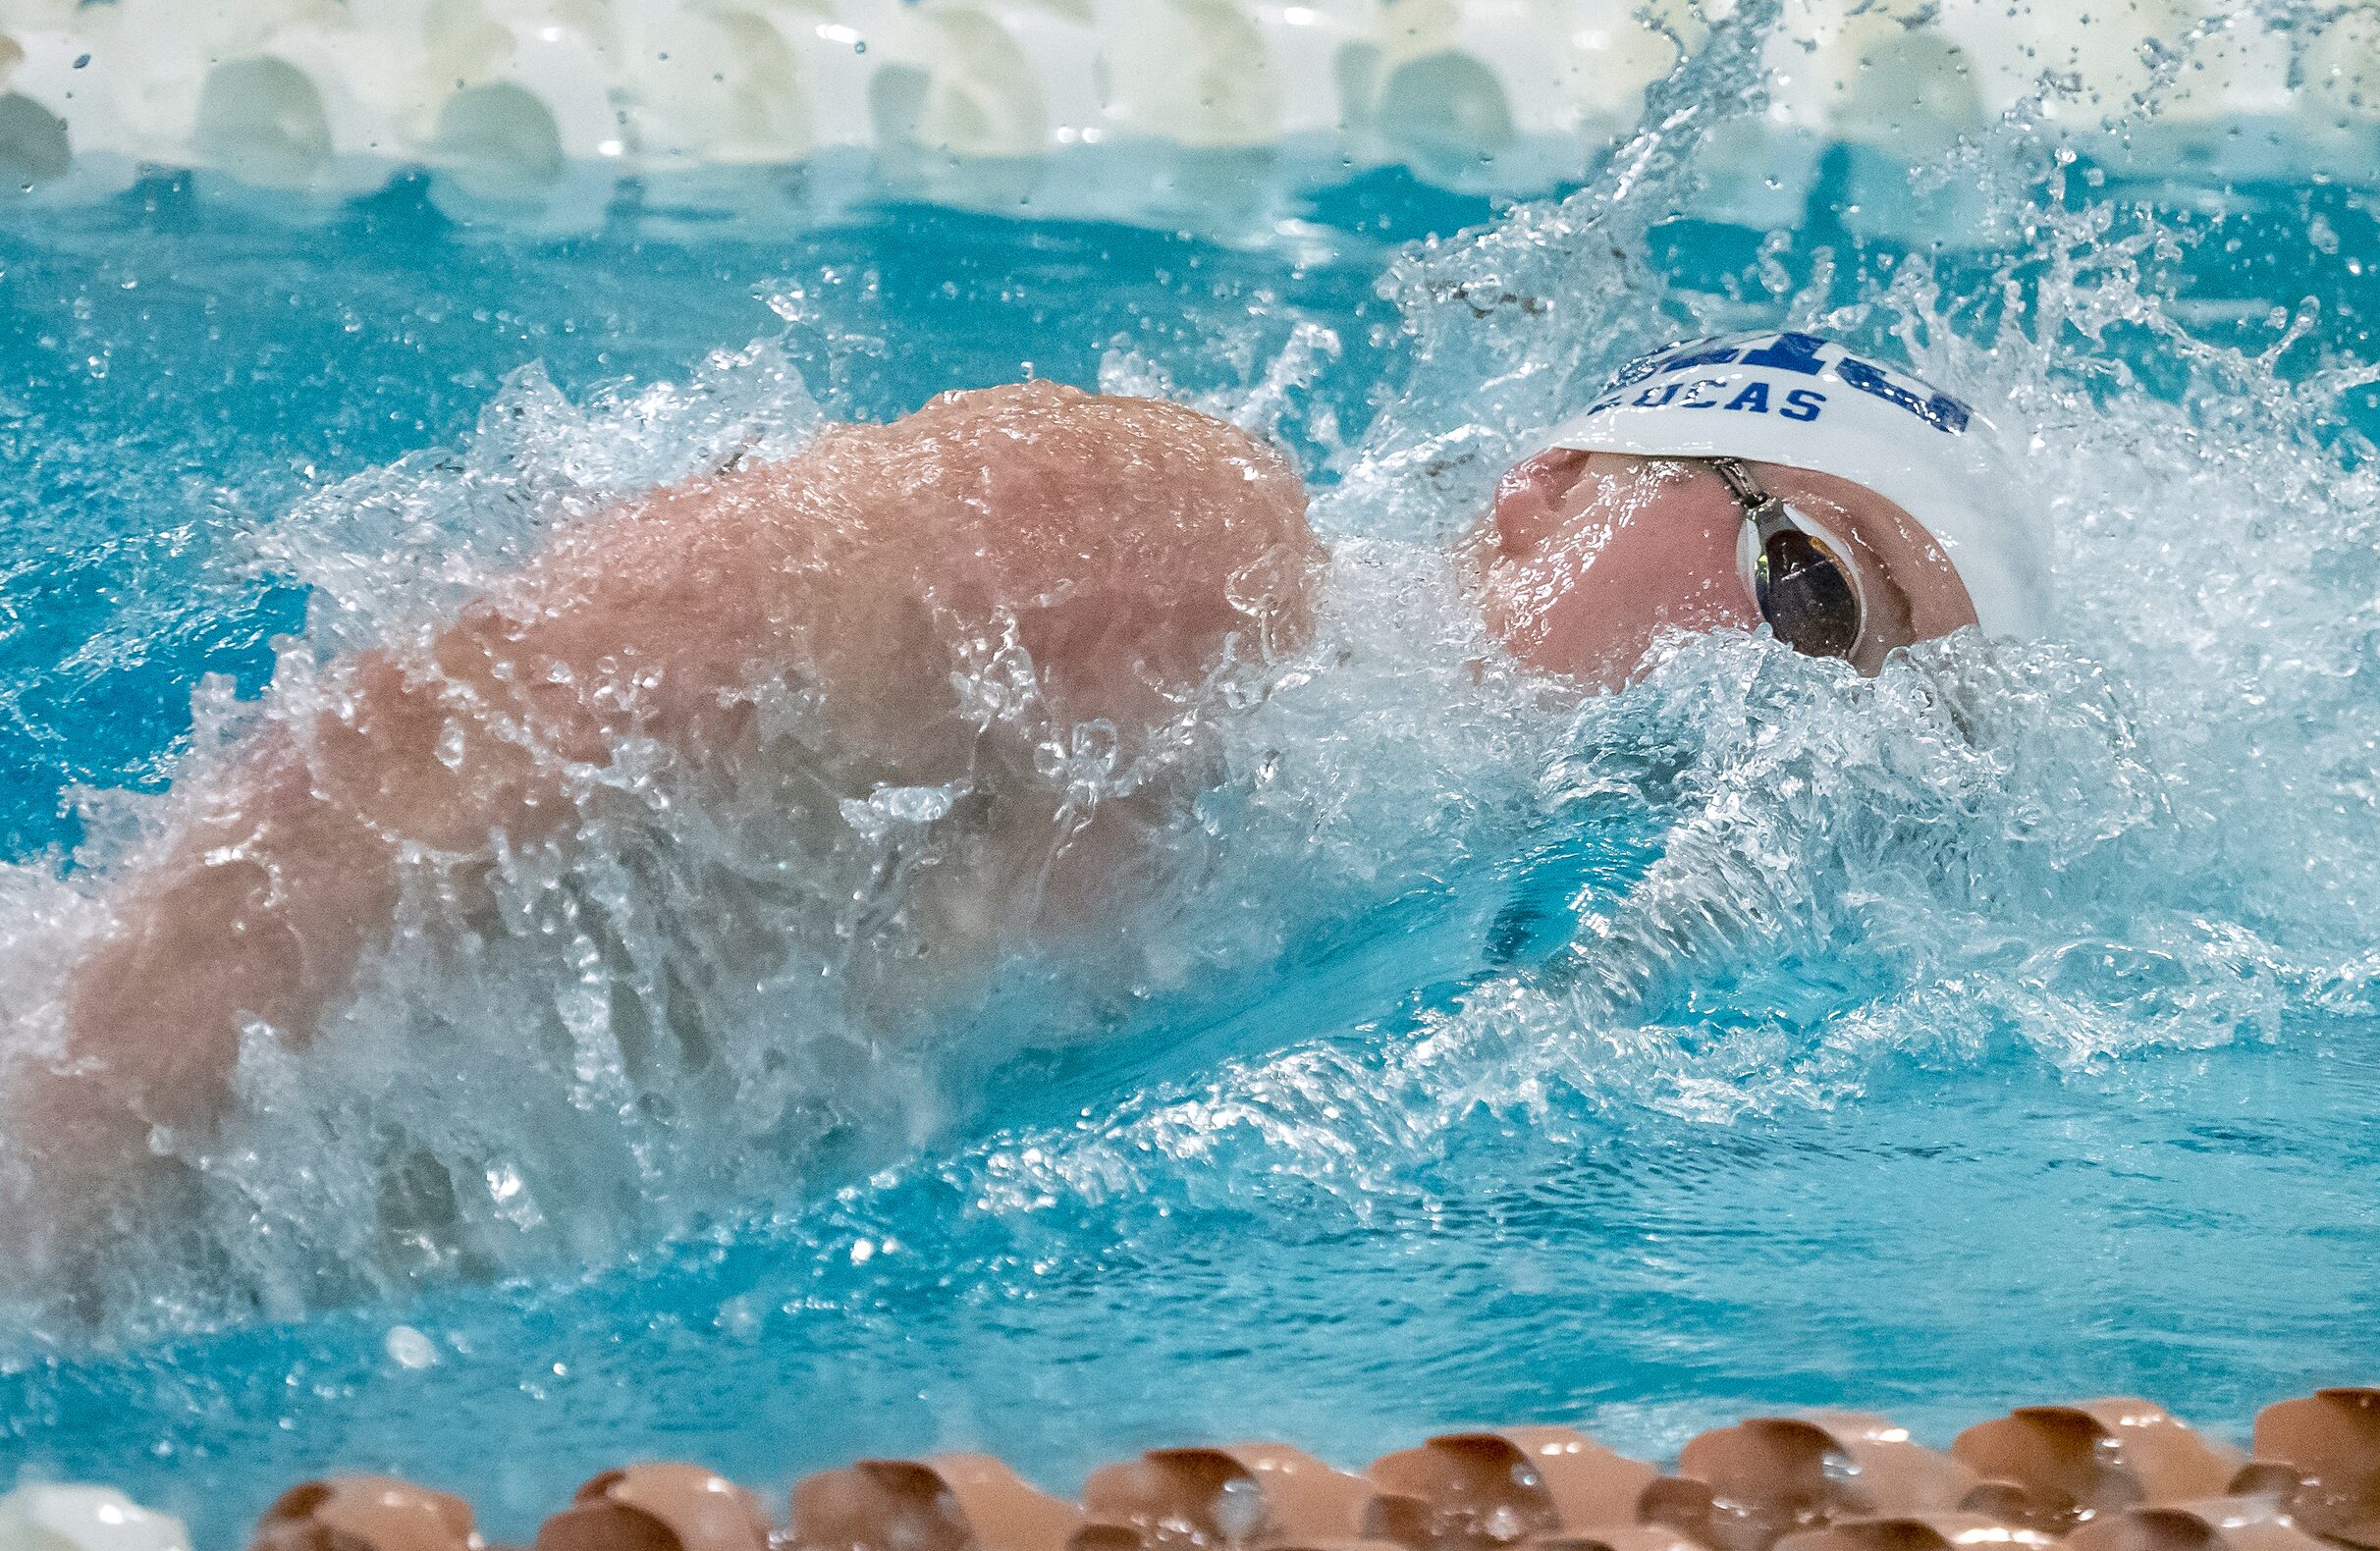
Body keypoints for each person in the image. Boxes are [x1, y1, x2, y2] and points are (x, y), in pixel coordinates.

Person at [2, 330, 2046, 1292]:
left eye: (1870, 723)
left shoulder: (1387, 929)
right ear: (1553, 490)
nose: (1758, 720)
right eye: (1803, 593)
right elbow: (446, 740)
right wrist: (63, 1181)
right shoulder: (1192, 554)